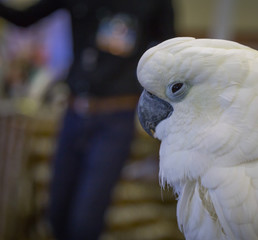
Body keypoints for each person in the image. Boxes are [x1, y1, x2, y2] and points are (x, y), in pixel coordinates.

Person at [0, 0, 175, 239]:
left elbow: (170, 55)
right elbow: (23, 19)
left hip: (114, 119)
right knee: (56, 214)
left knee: (85, 221)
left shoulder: (154, 3)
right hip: (72, 113)